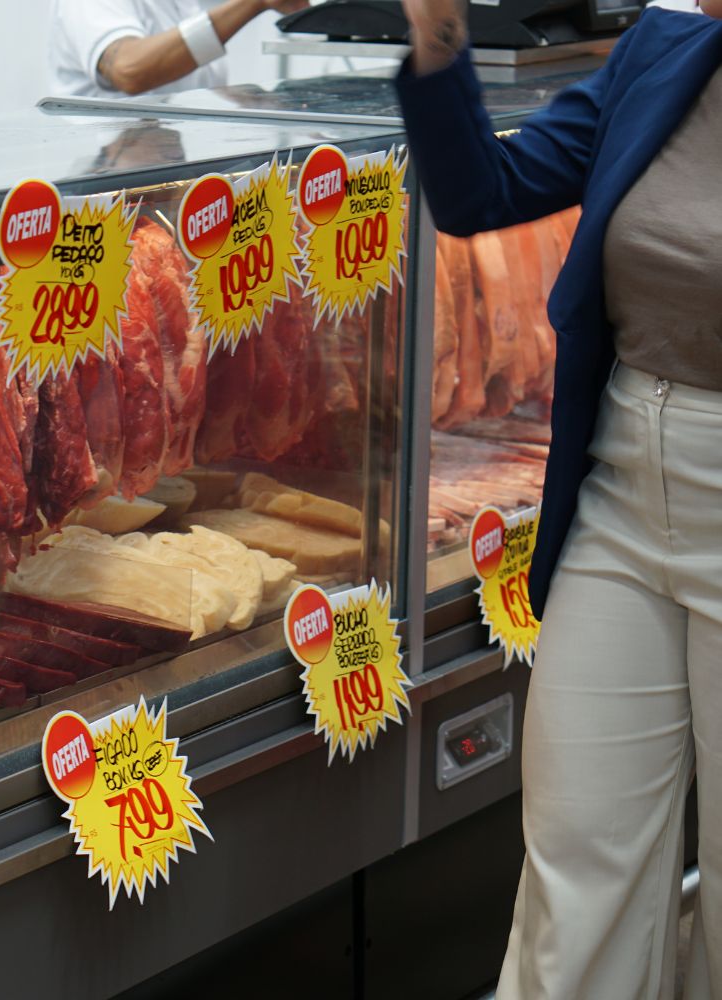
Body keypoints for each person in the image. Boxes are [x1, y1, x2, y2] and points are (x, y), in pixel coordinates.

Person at [396, 2, 722, 996]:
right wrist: (438, 34)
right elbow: (480, 189)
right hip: (622, 499)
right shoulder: (665, 49)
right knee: (577, 872)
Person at [48, 0, 308, 98]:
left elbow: (191, 88)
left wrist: (264, 105)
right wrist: (252, 3)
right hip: (107, 186)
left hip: (165, 176)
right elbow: (129, 70)